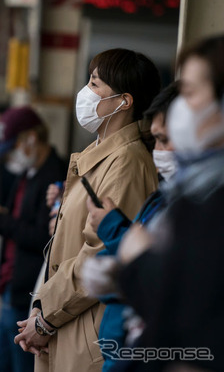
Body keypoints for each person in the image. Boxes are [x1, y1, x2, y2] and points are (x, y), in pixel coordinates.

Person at [14, 48, 161, 372]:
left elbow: (100, 252)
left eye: (95, 84)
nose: (86, 93)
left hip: (84, 332)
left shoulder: (127, 162)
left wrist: (45, 319)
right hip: (67, 322)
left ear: (124, 101)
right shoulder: (100, 153)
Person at [115, 34, 224, 371]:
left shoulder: (211, 200)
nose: (179, 111)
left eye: (190, 93)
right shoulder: (192, 193)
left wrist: (137, 261)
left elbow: (193, 311)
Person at [80, 82, 179, 372]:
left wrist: (112, 228)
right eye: (155, 141)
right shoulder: (164, 197)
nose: (158, 152)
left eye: (95, 82)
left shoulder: (129, 159)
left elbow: (163, 275)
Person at [0, 106, 67, 372]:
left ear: (31, 139)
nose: (11, 157)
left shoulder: (54, 178)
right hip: (13, 284)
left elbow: (43, 238)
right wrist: (0, 216)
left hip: (27, 294)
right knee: (0, 364)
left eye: (13, 149)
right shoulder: (29, 172)